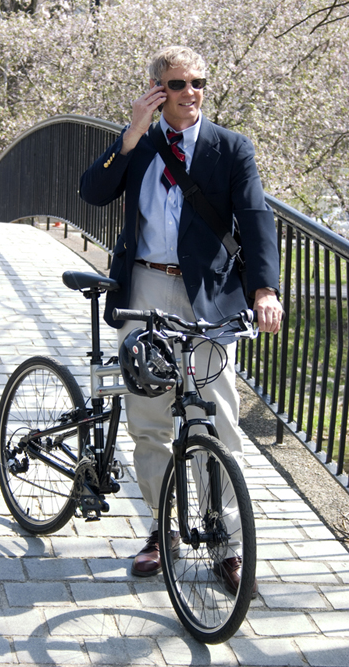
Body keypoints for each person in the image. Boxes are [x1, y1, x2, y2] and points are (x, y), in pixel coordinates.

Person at [80, 45, 283, 594]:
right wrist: (129, 135)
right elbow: (92, 192)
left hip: (207, 298)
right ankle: (161, 528)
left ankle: (226, 543)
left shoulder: (230, 147)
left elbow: (256, 218)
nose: (190, 92)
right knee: (148, 419)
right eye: (177, 84)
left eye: (198, 82)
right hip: (145, 286)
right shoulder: (141, 144)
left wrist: (265, 289)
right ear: (156, 90)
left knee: (216, 420)